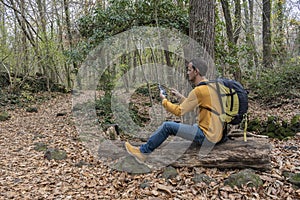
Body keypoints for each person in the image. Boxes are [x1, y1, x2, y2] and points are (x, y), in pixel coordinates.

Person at [125, 58, 224, 162]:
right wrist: (180, 97)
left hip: (208, 137)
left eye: (189, 70)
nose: (187, 73)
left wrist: (164, 101)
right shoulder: (212, 86)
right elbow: (198, 105)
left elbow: (179, 111)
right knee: (194, 126)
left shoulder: (199, 90)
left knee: (167, 126)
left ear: (196, 71)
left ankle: (142, 152)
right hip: (218, 134)